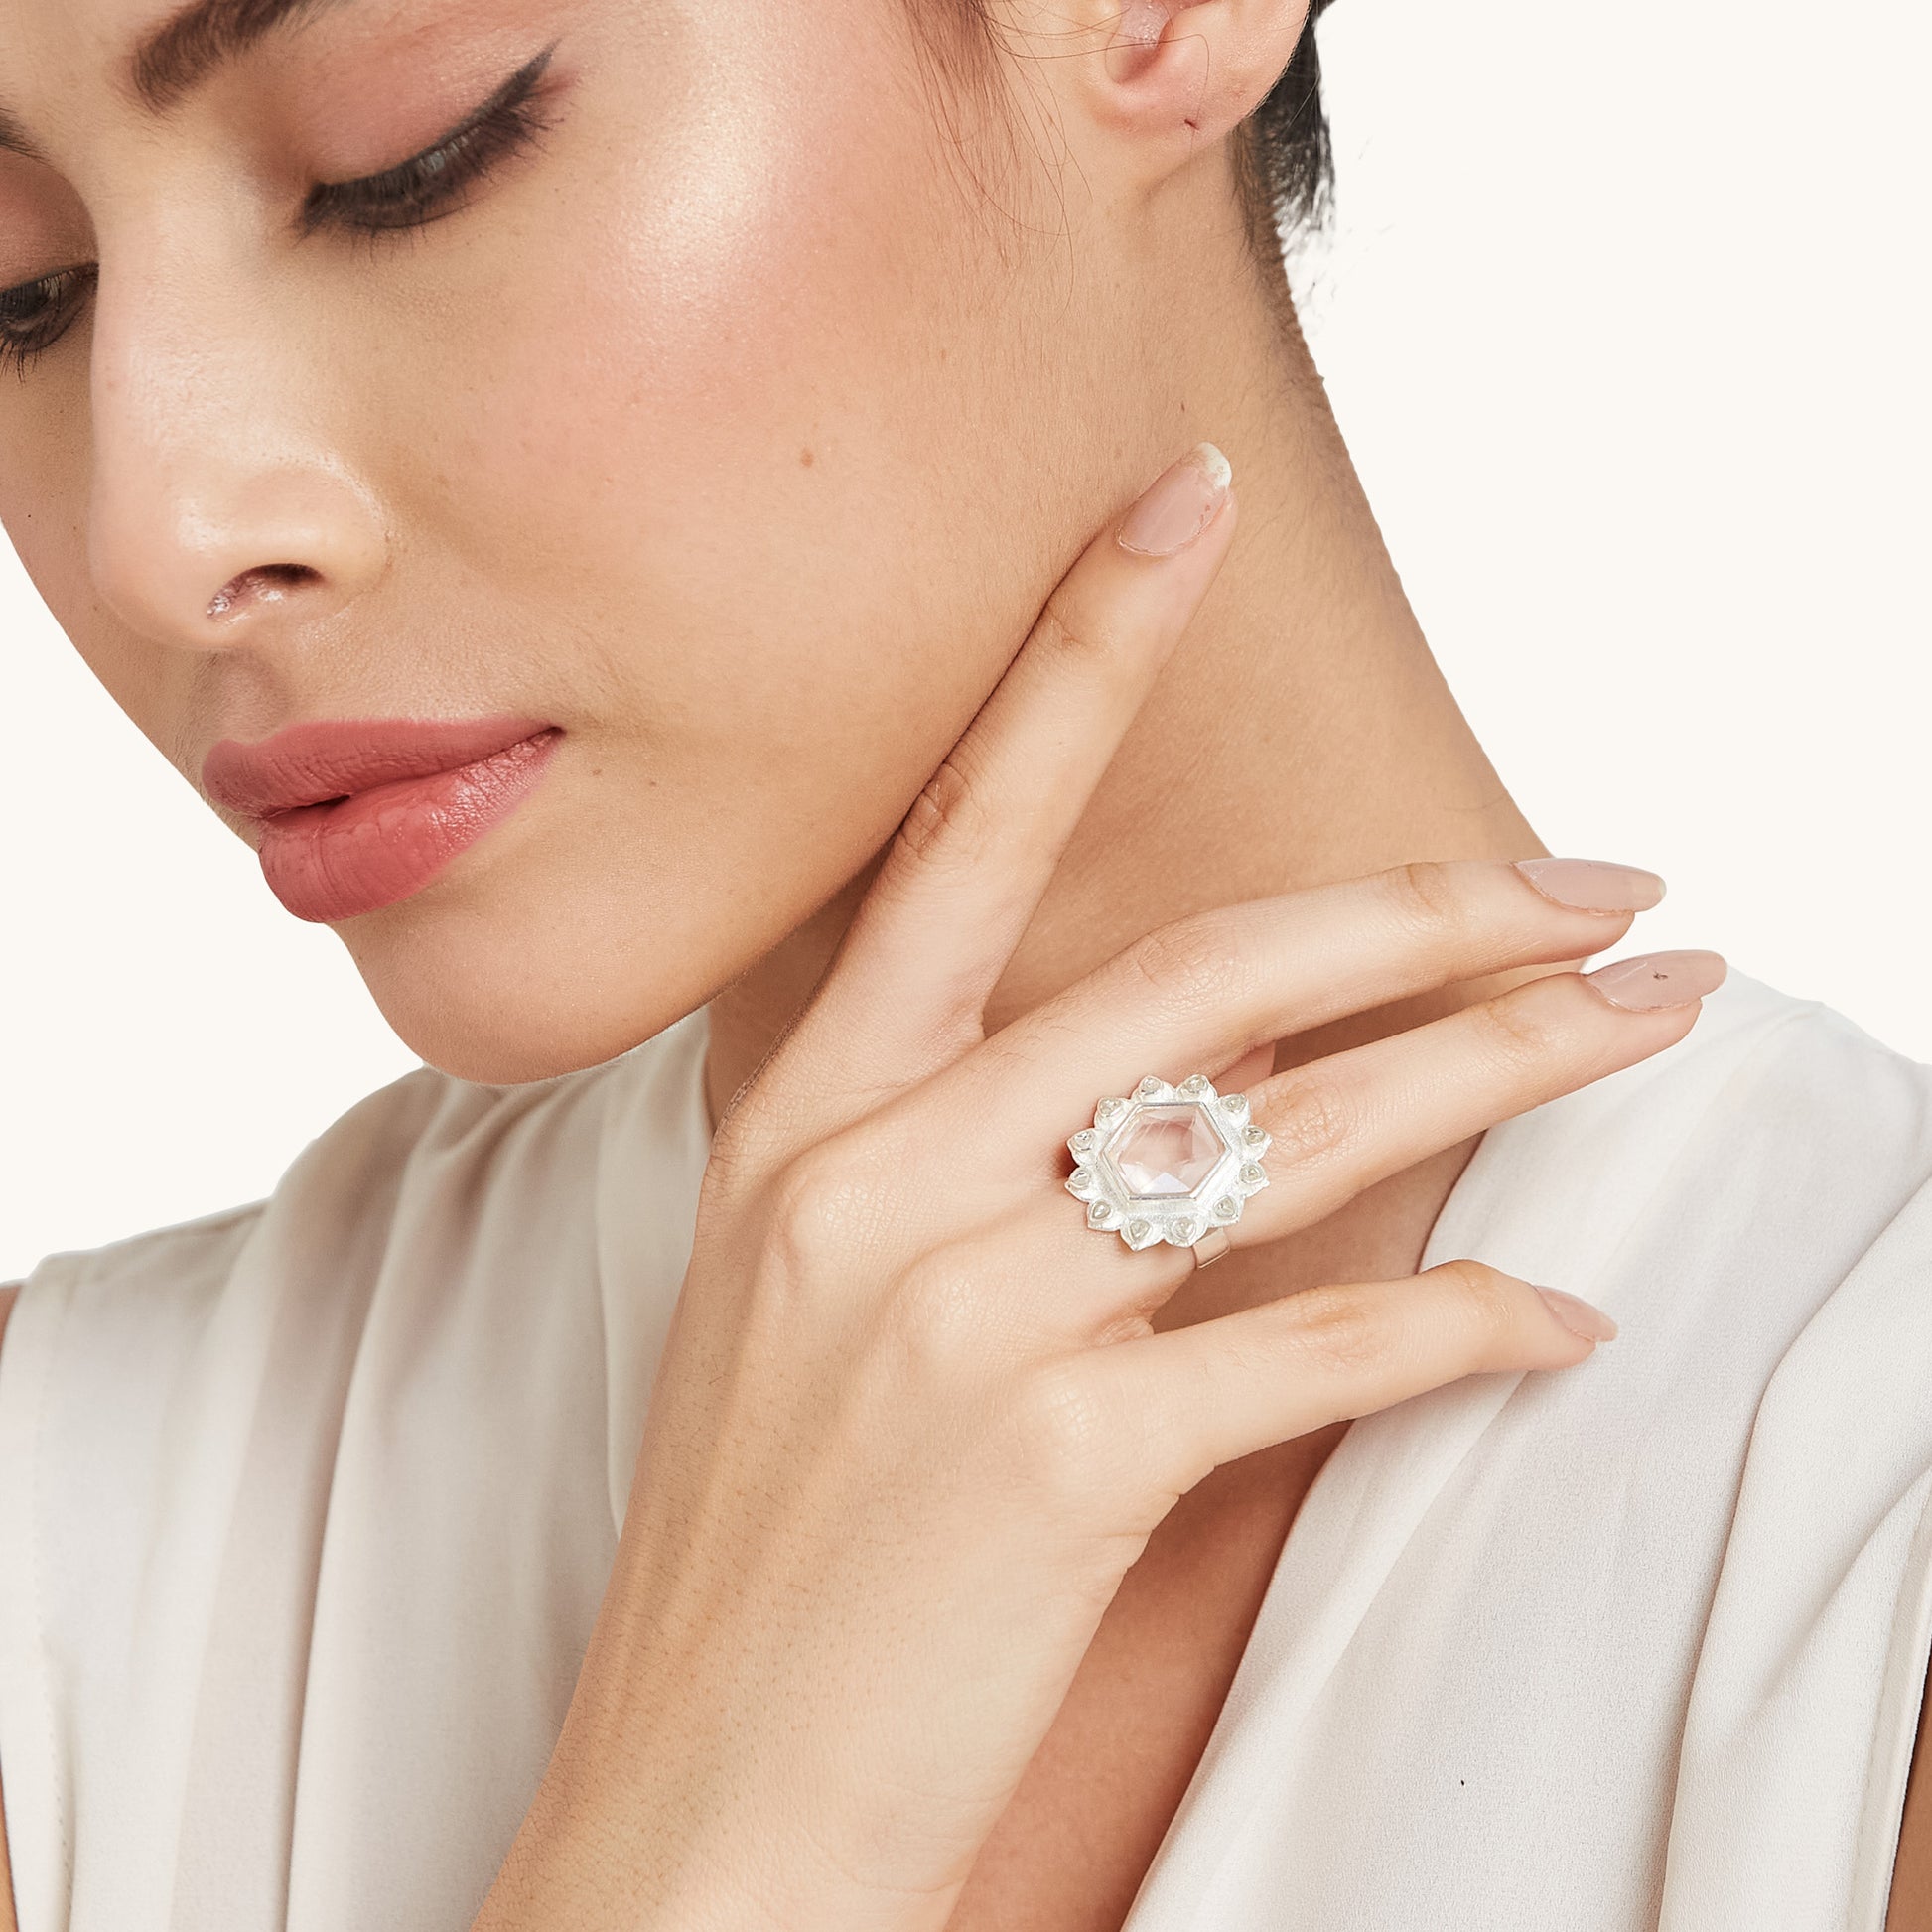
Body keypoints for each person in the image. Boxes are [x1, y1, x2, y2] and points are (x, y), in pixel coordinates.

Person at [1, 0, 1928, 1925]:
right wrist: (705, 1840)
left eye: (403, 157)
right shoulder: (58, 1546)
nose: (152, 528)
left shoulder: (1860, 1526)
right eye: (22, 291)